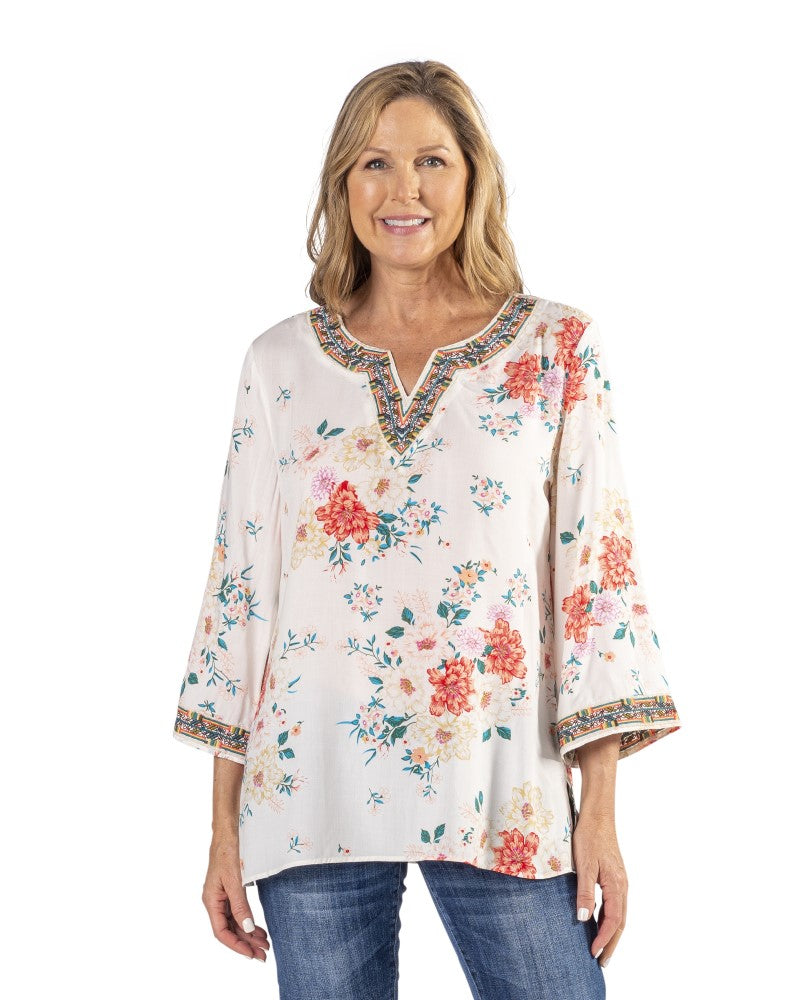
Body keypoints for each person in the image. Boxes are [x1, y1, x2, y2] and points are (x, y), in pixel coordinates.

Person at [171, 59, 682, 999]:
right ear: (342, 186)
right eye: (375, 163)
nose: (402, 190)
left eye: (431, 162)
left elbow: (596, 587)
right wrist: (222, 829)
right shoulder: (280, 363)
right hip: (309, 789)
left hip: (504, 785)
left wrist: (601, 815)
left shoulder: (556, 348)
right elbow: (241, 593)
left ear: (473, 178)